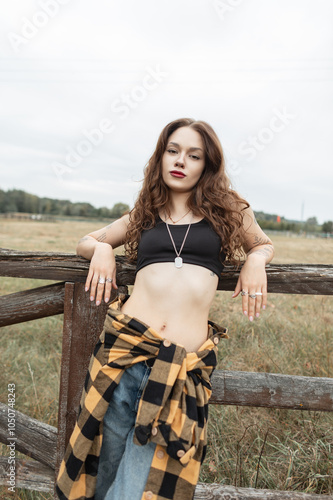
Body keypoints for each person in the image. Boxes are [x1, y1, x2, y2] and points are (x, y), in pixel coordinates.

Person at [56, 118, 274, 500]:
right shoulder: (145, 213)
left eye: (194, 155)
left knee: (138, 487)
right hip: (122, 359)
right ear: (160, 157)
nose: (181, 161)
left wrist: (257, 260)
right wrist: (104, 249)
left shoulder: (229, 211)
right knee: (99, 471)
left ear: (207, 165)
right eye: (173, 151)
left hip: (176, 372)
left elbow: (262, 244)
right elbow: (85, 241)